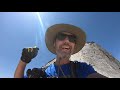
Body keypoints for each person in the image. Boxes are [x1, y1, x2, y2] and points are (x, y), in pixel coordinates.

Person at [14, 24, 107, 78]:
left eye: (72, 39)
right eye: (61, 37)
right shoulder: (42, 72)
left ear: (74, 46)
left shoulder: (83, 68)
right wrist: (24, 60)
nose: (67, 41)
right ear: (54, 43)